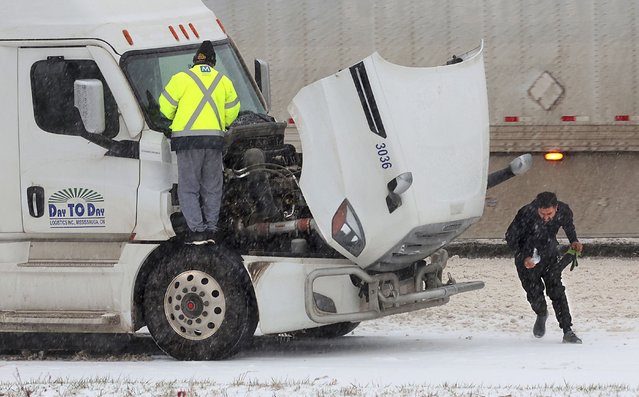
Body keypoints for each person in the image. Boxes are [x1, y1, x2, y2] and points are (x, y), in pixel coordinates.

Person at [159, 40, 240, 244]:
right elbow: (232, 112)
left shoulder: (180, 79)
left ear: (195, 60)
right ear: (213, 62)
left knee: (188, 187)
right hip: (213, 141)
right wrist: (220, 122)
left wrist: (177, 118)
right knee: (212, 186)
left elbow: (165, 108)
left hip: (187, 142)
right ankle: (212, 228)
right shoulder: (223, 81)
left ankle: (197, 231)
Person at [505, 191, 584, 344]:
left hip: (549, 255)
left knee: (557, 291)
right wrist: (524, 257)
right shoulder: (525, 213)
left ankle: (567, 330)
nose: (546, 217)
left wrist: (574, 240)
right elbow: (510, 237)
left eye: (549, 214)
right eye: (542, 214)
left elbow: (568, 225)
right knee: (535, 295)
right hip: (526, 258)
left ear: (556, 208)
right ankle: (541, 313)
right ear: (537, 209)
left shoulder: (564, 210)